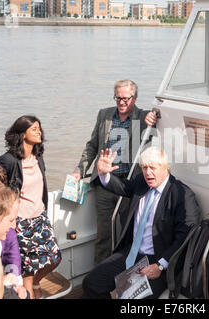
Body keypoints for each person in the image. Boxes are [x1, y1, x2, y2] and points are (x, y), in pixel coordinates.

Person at [82, 146, 201, 298]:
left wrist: (160, 265)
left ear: (166, 168)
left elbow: (184, 237)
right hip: (132, 253)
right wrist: (104, 174)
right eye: (144, 167)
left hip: (159, 260)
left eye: (153, 167)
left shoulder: (182, 194)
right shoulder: (141, 182)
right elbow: (123, 187)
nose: (148, 173)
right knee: (91, 283)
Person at [71, 79, 157, 265]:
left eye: (126, 99)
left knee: (130, 232)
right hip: (104, 183)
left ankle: (126, 273)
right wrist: (80, 170)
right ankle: (99, 276)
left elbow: (159, 124)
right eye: (118, 98)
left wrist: (154, 119)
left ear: (134, 98)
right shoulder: (104, 115)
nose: (121, 103)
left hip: (129, 186)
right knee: (104, 234)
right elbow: (92, 146)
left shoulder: (143, 117)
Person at [0, 115, 61, 299]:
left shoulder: (38, 156)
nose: (39, 131)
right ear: (22, 134)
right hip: (21, 223)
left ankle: (37, 282)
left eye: (40, 128)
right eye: (34, 129)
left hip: (40, 218)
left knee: (55, 258)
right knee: (28, 276)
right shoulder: (8, 160)